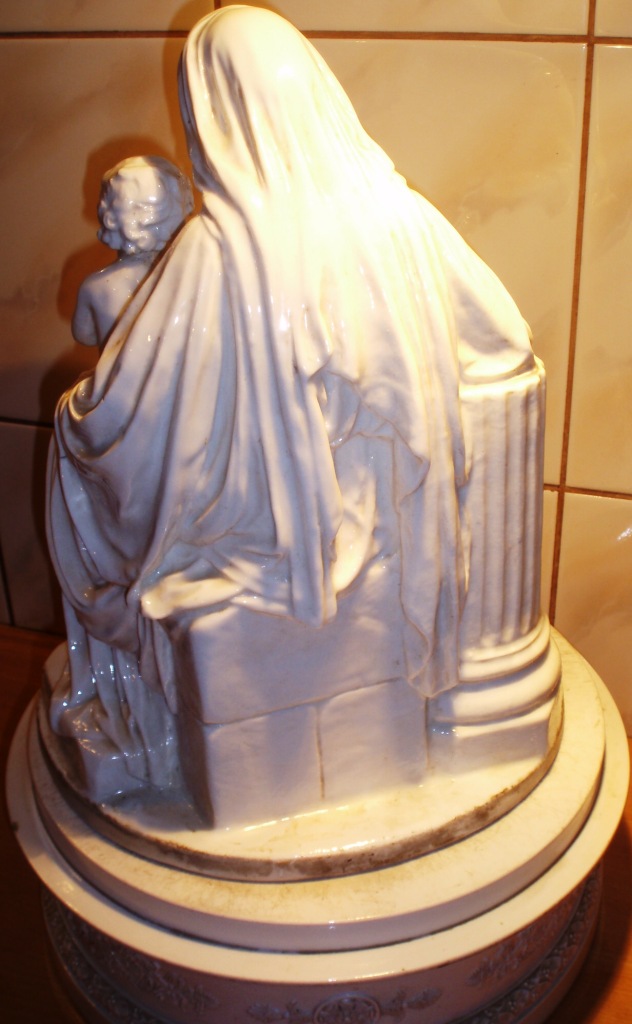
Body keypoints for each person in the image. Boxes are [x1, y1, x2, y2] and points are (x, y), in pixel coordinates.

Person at [46, 6, 535, 806]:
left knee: (74, 452)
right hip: (378, 525)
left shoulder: (216, 250)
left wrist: (72, 419)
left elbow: (130, 421)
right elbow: (506, 343)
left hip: (261, 531)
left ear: (210, 114)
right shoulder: (403, 221)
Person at [72, 156, 193, 350]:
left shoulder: (94, 288)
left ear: (107, 213)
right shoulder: (186, 279)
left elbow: (85, 336)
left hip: (113, 371)